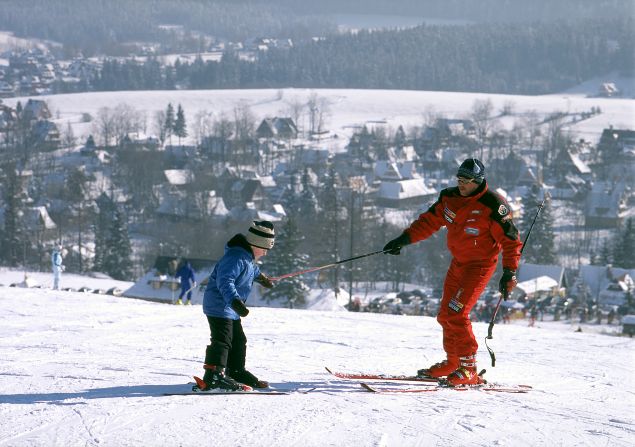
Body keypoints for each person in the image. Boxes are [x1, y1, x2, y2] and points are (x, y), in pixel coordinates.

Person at [383, 158, 523, 386]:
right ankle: (453, 362)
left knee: (456, 314)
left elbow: (511, 242)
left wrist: (509, 272)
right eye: (459, 180)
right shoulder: (449, 198)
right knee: (445, 316)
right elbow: (428, 221)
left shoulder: (494, 205)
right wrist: (403, 239)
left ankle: (469, 369)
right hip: (458, 263)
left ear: (478, 181)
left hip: (479, 267)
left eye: (466, 181)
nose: (461, 185)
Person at [193, 220, 275, 392]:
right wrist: (235, 302)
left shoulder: (246, 257)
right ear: (256, 243)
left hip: (229, 308)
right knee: (223, 340)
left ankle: (236, 371)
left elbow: (252, 270)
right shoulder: (236, 257)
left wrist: (262, 278)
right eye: (265, 249)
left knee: (238, 340)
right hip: (220, 305)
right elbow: (225, 280)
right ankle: (213, 376)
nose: (265, 253)